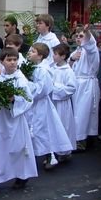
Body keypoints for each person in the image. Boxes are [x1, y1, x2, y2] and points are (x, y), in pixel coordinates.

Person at [0, 47, 36, 192]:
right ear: (2, 62)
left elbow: (28, 99)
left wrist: (14, 99)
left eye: (15, 59)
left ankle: (21, 175)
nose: (12, 63)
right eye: (9, 60)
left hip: (15, 119)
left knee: (17, 148)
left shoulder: (21, 80)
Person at [26, 43, 73, 171]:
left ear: (40, 56)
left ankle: (50, 155)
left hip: (41, 105)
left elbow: (43, 89)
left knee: (42, 130)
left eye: (33, 51)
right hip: (33, 105)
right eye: (30, 51)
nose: (29, 53)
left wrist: (27, 86)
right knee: (35, 129)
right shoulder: (32, 67)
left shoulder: (43, 70)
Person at [69, 25, 100, 152]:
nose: (78, 38)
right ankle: (78, 139)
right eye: (76, 36)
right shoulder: (76, 51)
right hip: (76, 85)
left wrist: (87, 33)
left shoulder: (91, 51)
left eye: (81, 36)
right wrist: (71, 59)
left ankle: (81, 140)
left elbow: (91, 44)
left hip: (87, 85)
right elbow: (68, 67)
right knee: (76, 113)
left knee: (83, 114)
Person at [50, 43, 77, 155]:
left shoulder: (68, 71)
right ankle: (53, 150)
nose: (53, 56)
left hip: (62, 104)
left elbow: (71, 88)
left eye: (56, 54)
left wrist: (55, 87)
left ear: (63, 56)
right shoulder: (52, 68)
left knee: (63, 125)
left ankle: (63, 151)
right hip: (52, 102)